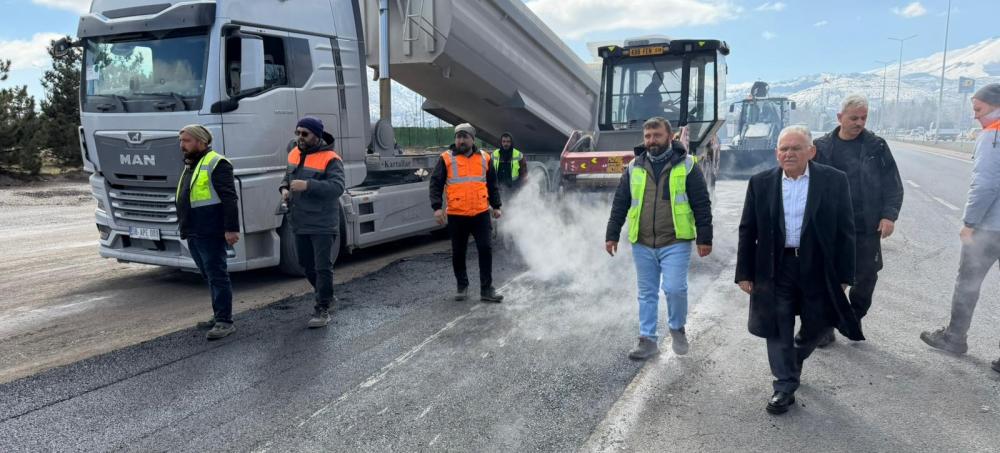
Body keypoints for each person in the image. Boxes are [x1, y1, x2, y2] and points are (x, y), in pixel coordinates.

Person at [735, 125, 861, 414]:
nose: (789, 153)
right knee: (777, 325)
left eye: (795, 148)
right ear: (776, 152)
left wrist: (845, 275)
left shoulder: (834, 181)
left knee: (820, 322)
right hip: (775, 266)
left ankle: (793, 357)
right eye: (784, 149)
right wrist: (744, 272)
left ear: (811, 151)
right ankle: (784, 386)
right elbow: (747, 229)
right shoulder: (760, 183)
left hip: (816, 266)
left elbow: (846, 230)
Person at [605, 117, 713, 360]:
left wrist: (705, 237)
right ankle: (647, 340)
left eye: (657, 136)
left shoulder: (687, 165)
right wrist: (612, 235)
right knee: (646, 292)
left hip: (675, 241)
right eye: (648, 137)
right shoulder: (634, 166)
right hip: (642, 242)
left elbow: (701, 204)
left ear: (670, 136)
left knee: (674, 289)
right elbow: (620, 203)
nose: (651, 141)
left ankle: (676, 328)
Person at [920, 83, 1000, 374]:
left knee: (968, 282)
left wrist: (969, 224)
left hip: (991, 229)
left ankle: (955, 338)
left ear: (995, 106)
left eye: (978, 109)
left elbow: (987, 184)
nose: (975, 116)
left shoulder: (993, 135)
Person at [813, 94, 904, 347]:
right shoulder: (820, 147)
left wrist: (889, 215)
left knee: (866, 276)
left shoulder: (877, 146)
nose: (859, 122)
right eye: (854, 118)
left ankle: (854, 315)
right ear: (840, 117)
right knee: (829, 277)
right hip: (830, 226)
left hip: (866, 225)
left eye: (863, 118)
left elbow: (892, 184)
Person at [279, 117, 346, 328]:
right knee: (305, 264)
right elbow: (287, 177)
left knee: (322, 266)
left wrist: (308, 185)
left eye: (304, 133)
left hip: (323, 221)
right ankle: (327, 295)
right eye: (297, 132)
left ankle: (322, 308)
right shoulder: (293, 152)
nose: (300, 137)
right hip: (299, 219)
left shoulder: (331, 158)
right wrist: (284, 189)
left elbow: (337, 188)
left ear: (316, 135)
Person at [176, 124, 241, 340]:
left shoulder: (216, 163)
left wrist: (231, 228)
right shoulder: (191, 164)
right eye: (181, 140)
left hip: (210, 229)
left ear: (201, 141)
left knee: (216, 274)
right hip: (194, 230)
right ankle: (219, 314)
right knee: (209, 275)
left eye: (186, 140)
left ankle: (224, 321)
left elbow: (230, 198)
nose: (181, 145)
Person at [429, 123, 504, 303]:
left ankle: (486, 289)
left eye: (464, 137)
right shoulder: (446, 158)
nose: (460, 140)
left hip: (480, 213)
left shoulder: (485, 158)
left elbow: (492, 184)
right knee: (458, 252)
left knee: (485, 248)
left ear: (472, 139)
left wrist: (496, 206)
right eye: (458, 137)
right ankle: (462, 286)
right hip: (457, 215)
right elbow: (436, 183)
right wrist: (437, 207)